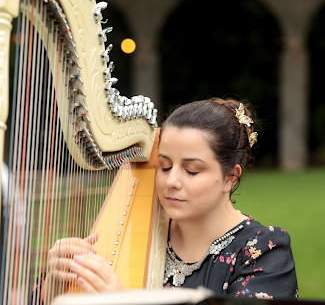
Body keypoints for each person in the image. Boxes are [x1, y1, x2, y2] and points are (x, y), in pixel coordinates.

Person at [38, 98, 298, 303]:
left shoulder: (262, 254)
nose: (171, 181)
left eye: (191, 170)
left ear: (231, 177)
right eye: (164, 166)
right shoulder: (139, 230)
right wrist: (53, 288)